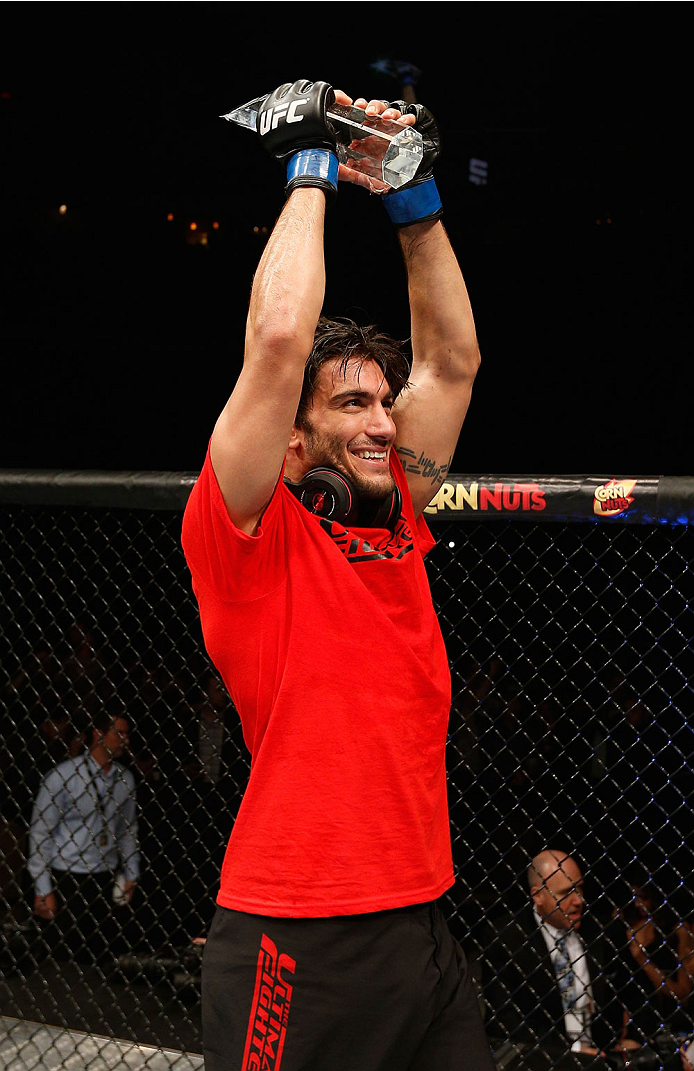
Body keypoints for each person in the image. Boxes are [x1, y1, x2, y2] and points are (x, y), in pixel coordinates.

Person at [181, 79, 494, 1071]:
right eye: (350, 403)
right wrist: (310, 164)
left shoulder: (397, 511)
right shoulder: (244, 535)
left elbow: (452, 363)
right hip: (293, 930)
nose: (378, 422)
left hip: (422, 923)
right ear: (294, 437)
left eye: (379, 403)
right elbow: (277, 344)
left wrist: (412, 195)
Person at [480, 849, 624, 1068]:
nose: (578, 900)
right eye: (566, 893)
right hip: (541, 1058)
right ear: (538, 895)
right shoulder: (507, 938)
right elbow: (505, 1020)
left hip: (605, 1055)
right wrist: (572, 1051)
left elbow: (631, 989)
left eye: (580, 888)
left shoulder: (602, 929)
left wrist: (633, 1036)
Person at [27, 706, 140, 966]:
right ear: (98, 734)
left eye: (127, 734)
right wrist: (43, 888)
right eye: (119, 733)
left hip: (104, 873)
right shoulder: (62, 776)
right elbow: (40, 832)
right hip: (66, 874)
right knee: (60, 961)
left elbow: (127, 829)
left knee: (97, 960)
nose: (126, 740)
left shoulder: (125, 779)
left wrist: (131, 872)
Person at [616, 866, 694, 1047]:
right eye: (634, 896)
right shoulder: (628, 924)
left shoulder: (678, 932)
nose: (637, 904)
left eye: (643, 897)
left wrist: (643, 961)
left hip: (658, 1019)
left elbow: (681, 993)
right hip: (622, 1014)